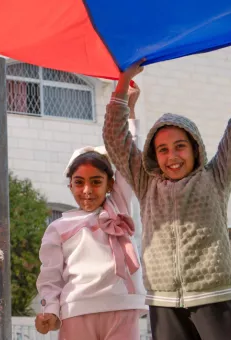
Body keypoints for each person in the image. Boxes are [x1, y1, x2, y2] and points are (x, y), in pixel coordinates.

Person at [102, 41, 231, 340]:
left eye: (179, 147)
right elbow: (115, 138)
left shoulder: (216, 177)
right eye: (163, 149)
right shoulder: (145, 183)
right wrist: (121, 86)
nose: (172, 156)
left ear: (194, 148)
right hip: (164, 304)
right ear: (154, 155)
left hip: (214, 298)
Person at [35, 85, 146, 340]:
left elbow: (127, 156)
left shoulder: (117, 207)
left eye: (96, 181)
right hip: (76, 311)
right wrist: (50, 310)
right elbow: (50, 276)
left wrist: (128, 110)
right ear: (70, 185)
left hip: (122, 307)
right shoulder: (58, 228)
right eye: (79, 182)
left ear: (110, 184)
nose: (87, 190)